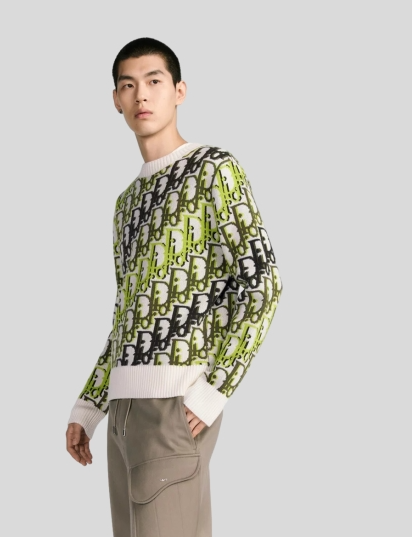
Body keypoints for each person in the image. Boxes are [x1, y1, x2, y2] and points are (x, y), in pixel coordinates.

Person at [65, 37, 283, 537]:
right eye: (128, 85)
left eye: (154, 81)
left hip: (172, 407)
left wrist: (212, 392)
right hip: (122, 414)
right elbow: (127, 316)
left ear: (179, 91)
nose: (141, 94)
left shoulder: (212, 169)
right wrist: (90, 406)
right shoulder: (127, 202)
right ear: (116, 100)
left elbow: (263, 284)